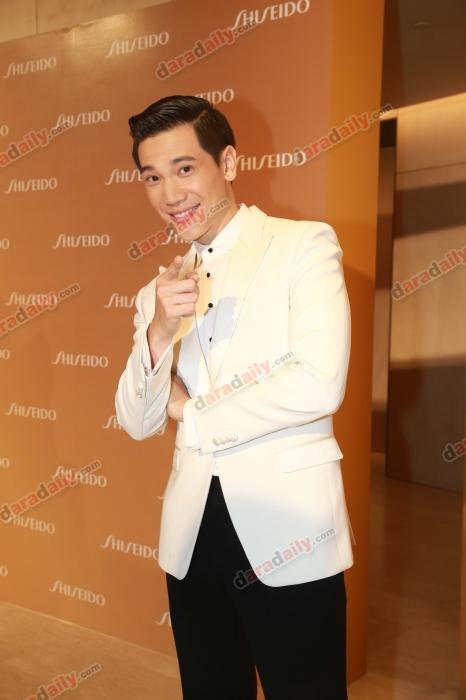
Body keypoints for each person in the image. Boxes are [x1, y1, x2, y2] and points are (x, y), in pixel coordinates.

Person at [115, 94, 355, 700]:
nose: (170, 194)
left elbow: (319, 381)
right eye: (152, 177)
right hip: (192, 533)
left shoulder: (303, 245)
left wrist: (190, 412)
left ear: (228, 162)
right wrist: (159, 333)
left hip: (290, 528)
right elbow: (137, 420)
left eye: (184, 168)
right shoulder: (156, 292)